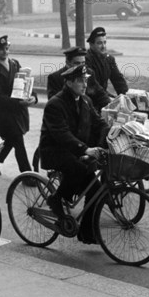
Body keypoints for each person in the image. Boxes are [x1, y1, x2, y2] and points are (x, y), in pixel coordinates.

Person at [40, 64, 109, 244]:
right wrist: (85, 149)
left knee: (96, 190)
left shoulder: (85, 100)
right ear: (69, 82)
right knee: (80, 168)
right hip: (55, 151)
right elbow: (61, 134)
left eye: (85, 80)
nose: (84, 84)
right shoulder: (55, 104)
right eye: (79, 81)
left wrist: (109, 134)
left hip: (75, 150)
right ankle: (56, 199)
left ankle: (87, 232)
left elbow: (98, 122)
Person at [0, 35, 37, 174]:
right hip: (5, 114)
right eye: (1, 50)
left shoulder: (15, 63)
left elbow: (25, 83)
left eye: (7, 48)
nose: (5, 52)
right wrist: (20, 103)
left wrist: (33, 97)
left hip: (19, 112)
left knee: (9, 141)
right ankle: (27, 175)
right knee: (18, 142)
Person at [47, 46, 111, 111]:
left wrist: (110, 106)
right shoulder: (55, 78)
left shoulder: (89, 73)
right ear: (68, 63)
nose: (81, 66)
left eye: (83, 63)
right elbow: (54, 104)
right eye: (77, 63)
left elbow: (100, 93)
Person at [84, 27, 128, 96]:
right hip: (91, 98)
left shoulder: (109, 59)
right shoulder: (86, 60)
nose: (103, 46)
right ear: (91, 45)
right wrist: (108, 100)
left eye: (104, 42)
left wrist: (125, 96)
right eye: (99, 43)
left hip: (103, 95)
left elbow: (118, 80)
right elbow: (92, 86)